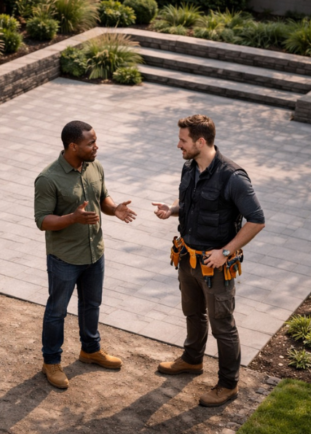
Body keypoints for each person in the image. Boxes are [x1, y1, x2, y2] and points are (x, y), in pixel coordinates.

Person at [152, 114, 265, 406]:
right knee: (193, 313)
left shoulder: (233, 177)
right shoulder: (189, 167)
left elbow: (257, 220)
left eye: (183, 140)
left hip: (216, 266)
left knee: (222, 325)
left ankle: (228, 384)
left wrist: (226, 252)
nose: (179, 145)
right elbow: (192, 204)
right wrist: (172, 209)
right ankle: (192, 360)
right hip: (187, 257)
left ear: (201, 142)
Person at [34, 120, 137, 389]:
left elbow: (102, 197)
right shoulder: (48, 178)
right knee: (57, 312)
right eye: (90, 143)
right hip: (64, 258)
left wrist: (114, 210)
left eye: (95, 141)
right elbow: (43, 220)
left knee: (91, 305)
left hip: (94, 253)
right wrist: (72, 218)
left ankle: (90, 350)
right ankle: (51, 362)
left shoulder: (95, 166)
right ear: (73, 146)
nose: (96, 146)